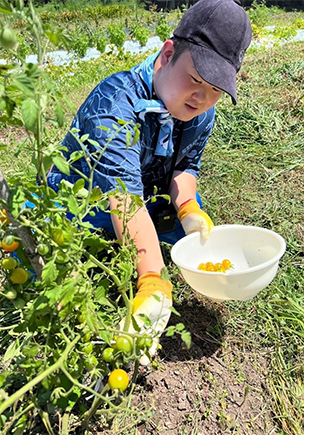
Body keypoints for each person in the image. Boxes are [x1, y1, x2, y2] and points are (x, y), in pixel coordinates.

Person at [47, 0, 252, 363]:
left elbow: (186, 166)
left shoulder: (200, 111)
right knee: (73, 245)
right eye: (195, 80)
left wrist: (187, 204)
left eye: (216, 90)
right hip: (89, 197)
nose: (203, 99)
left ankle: (150, 240)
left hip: (148, 193)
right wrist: (152, 278)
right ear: (167, 53)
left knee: (189, 230)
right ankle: (141, 258)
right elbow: (124, 198)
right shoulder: (114, 103)